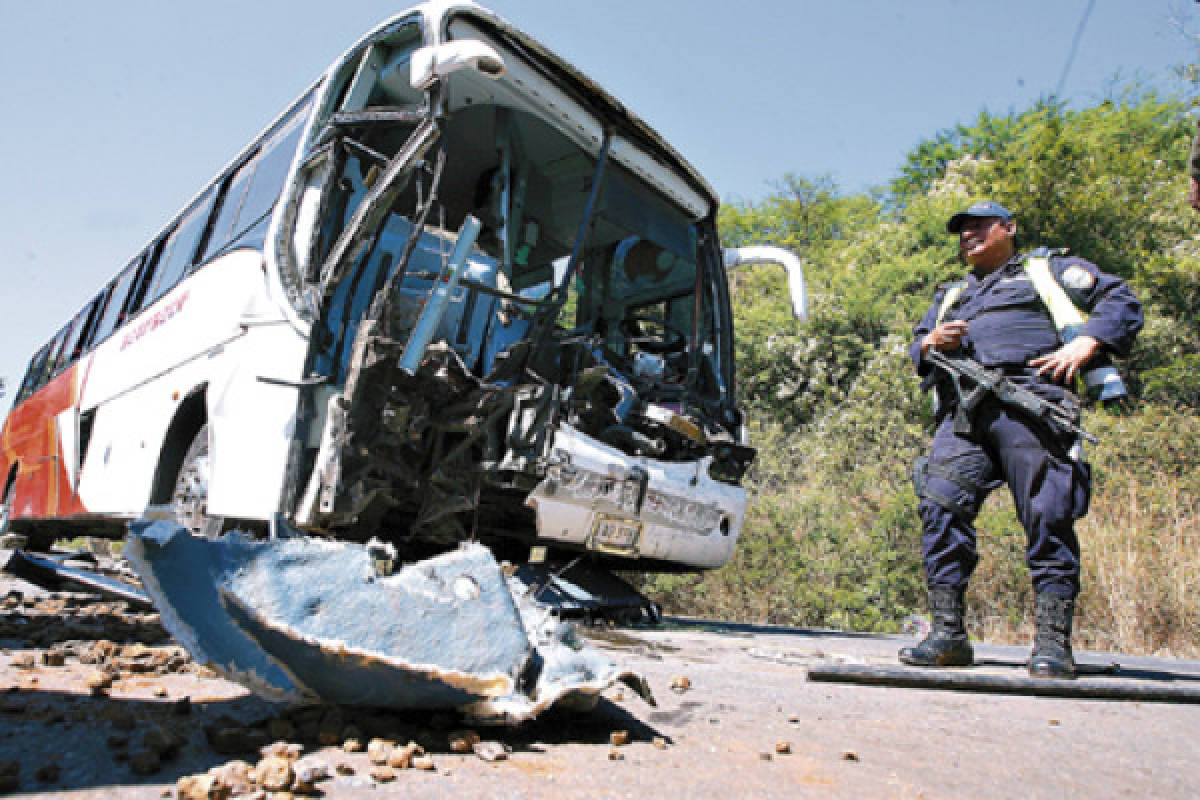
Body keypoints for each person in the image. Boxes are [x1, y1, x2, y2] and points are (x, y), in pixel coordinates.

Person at [901, 200, 1142, 678]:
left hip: (1032, 405)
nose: (968, 235)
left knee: (1048, 517)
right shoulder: (952, 293)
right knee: (939, 506)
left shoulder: (1048, 270)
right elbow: (917, 345)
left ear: (1009, 229)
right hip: (964, 415)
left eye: (979, 226)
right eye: (962, 230)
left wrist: (1086, 343)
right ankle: (948, 637)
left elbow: (1122, 300)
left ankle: (1053, 646)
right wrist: (930, 344)